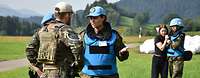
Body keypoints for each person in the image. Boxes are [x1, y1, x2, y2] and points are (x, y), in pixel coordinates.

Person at [26, 2, 81, 78]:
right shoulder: (66, 30)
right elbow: (77, 49)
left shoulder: (42, 30)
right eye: (71, 15)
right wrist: (76, 67)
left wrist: (39, 67)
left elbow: (29, 50)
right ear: (67, 15)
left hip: (45, 73)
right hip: (62, 73)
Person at [79, 6, 129, 78]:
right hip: (87, 76)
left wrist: (123, 53)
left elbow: (122, 57)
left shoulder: (114, 36)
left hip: (110, 76)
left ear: (103, 18)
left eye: (95, 17)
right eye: (91, 18)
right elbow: (77, 55)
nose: (92, 20)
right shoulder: (83, 35)